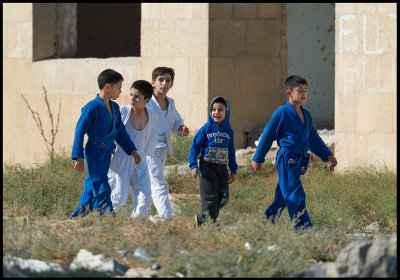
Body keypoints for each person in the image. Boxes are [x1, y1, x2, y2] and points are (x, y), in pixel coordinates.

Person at [251, 75, 337, 230]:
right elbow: (268, 135)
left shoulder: (307, 115)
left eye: (306, 90)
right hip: (287, 159)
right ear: (288, 93)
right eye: (300, 90)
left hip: (299, 160)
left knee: (283, 197)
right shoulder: (281, 112)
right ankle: (303, 229)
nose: (304, 94)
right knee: (295, 194)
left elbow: (313, 138)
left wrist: (327, 154)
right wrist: (258, 157)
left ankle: (263, 225)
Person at [71, 69, 141, 218]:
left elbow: (120, 132)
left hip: (107, 151)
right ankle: (108, 217)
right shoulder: (92, 107)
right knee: (101, 184)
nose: (120, 92)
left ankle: (78, 218)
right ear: (108, 87)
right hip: (94, 151)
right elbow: (79, 131)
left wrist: (132, 151)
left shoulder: (115, 108)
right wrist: (79, 157)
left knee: (91, 187)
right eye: (119, 88)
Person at [107, 80, 158, 219]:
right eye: (130, 95)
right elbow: (111, 132)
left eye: (137, 96)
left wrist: (148, 156)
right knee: (118, 197)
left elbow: (153, 136)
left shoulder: (152, 116)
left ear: (147, 100)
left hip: (140, 160)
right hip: (120, 159)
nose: (132, 99)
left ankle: (135, 225)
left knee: (145, 197)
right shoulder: (122, 111)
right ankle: (101, 222)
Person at [146, 67, 189, 219]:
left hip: (162, 149)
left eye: (168, 80)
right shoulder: (146, 102)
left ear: (172, 84)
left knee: (147, 186)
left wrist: (181, 128)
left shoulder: (170, 103)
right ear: (153, 83)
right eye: (160, 80)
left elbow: (176, 122)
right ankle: (166, 218)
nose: (164, 83)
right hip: (148, 150)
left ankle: (139, 219)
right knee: (159, 184)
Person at [189, 96, 238, 227]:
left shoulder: (229, 131)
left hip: (222, 169)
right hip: (207, 168)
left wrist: (233, 170)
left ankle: (201, 217)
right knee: (210, 199)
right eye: (213, 109)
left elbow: (231, 151)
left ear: (226, 112)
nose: (216, 112)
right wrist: (193, 165)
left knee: (223, 198)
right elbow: (195, 147)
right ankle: (211, 225)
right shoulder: (206, 129)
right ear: (210, 112)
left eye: (220, 110)